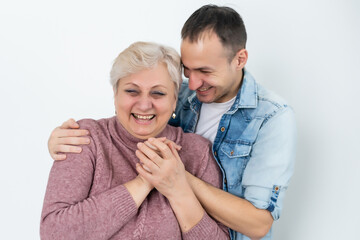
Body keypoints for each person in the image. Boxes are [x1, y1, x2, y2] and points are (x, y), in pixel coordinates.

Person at [47, 5, 296, 240]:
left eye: (205, 71)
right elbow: (131, 116)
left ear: (240, 60)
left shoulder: (272, 118)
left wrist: (178, 179)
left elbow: (259, 224)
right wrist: (60, 139)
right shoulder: (180, 94)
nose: (194, 84)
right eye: (187, 70)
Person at [40, 41, 229, 240]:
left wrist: (177, 188)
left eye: (158, 93)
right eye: (132, 91)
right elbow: (54, 233)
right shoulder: (85, 138)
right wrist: (145, 180)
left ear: (174, 100)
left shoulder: (198, 152)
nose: (145, 104)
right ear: (115, 95)